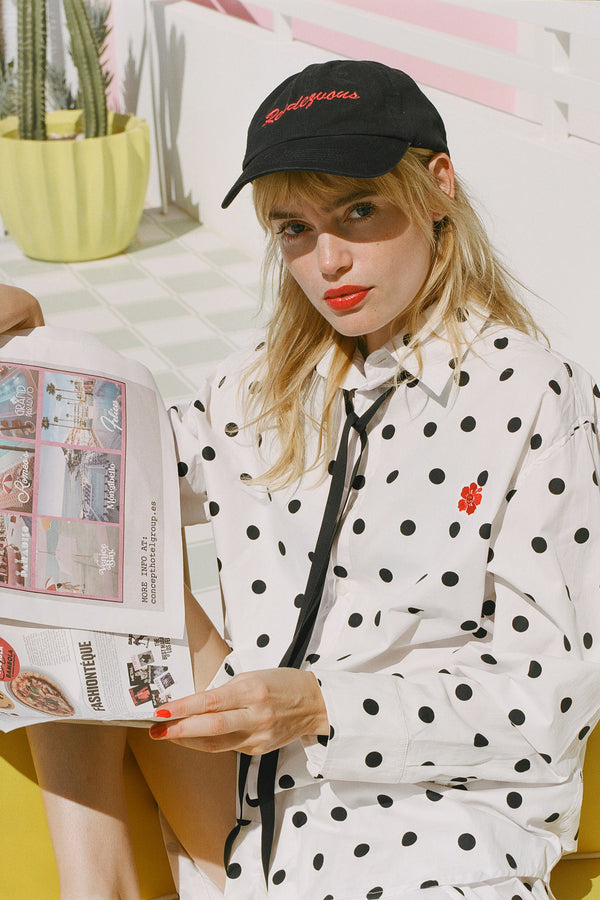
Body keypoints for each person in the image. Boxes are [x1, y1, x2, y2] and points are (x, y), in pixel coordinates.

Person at [4, 59, 600, 900]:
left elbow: (550, 703)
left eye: (358, 212)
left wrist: (323, 706)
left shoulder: (536, 395)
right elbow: (103, 472)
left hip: (435, 823)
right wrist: (27, 339)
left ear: (437, 188)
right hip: (256, 795)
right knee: (72, 543)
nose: (328, 263)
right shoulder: (260, 384)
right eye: (292, 229)